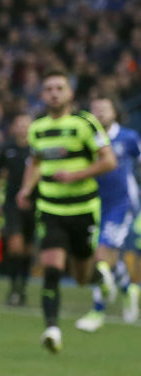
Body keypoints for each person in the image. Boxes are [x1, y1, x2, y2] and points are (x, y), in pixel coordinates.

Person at [16, 73, 116, 352]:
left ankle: (99, 277)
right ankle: (52, 330)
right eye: (48, 89)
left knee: (81, 276)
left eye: (60, 88)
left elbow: (109, 161)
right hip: (50, 208)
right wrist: (26, 189)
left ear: (70, 94)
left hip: (83, 209)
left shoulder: (85, 123)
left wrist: (76, 175)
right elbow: (35, 163)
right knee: (52, 268)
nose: (54, 93)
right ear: (42, 95)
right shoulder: (37, 128)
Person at [74, 97, 141, 331]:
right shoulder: (85, 138)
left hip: (121, 205)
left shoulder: (128, 137)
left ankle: (97, 311)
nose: (100, 113)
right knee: (109, 258)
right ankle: (129, 289)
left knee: (100, 258)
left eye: (105, 109)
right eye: (95, 109)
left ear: (115, 112)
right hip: (92, 204)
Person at [0, 114, 36, 306]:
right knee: (15, 246)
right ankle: (13, 288)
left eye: (26, 125)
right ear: (14, 127)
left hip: (35, 202)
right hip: (12, 203)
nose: (23, 128)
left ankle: (22, 287)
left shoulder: (37, 148)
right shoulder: (7, 149)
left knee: (28, 249)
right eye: (20, 124)